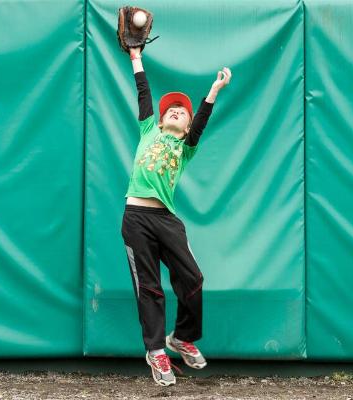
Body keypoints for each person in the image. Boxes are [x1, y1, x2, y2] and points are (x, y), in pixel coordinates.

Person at [121, 45, 231, 386]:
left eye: (182, 112)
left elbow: (200, 123)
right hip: (137, 217)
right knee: (150, 288)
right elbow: (144, 92)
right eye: (171, 110)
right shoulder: (148, 131)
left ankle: (182, 337)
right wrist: (136, 56)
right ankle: (156, 352)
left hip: (167, 220)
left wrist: (212, 92)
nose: (176, 112)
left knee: (193, 279)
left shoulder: (185, 148)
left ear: (186, 129)